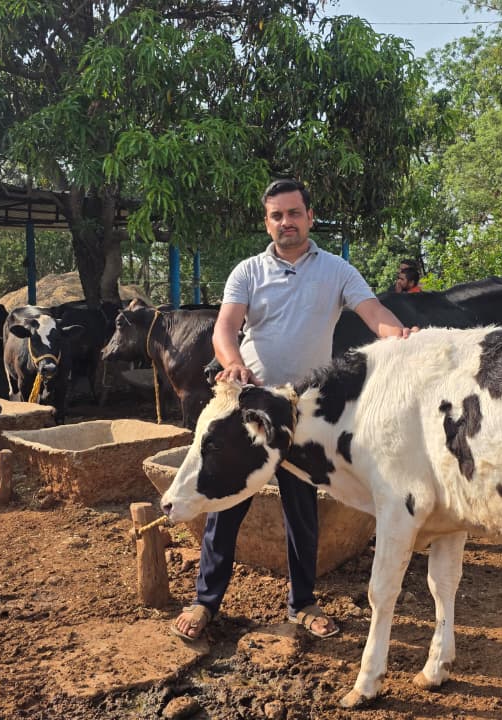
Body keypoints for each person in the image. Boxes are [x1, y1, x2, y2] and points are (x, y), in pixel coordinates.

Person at [172, 178, 412, 642]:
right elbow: (225, 329)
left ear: (310, 217)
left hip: (304, 414)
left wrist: (400, 337)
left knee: (302, 510)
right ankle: (205, 601)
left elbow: (373, 312)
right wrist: (233, 363)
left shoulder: (337, 270)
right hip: (251, 406)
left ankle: (302, 603)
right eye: (277, 215)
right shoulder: (247, 271)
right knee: (226, 504)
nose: (287, 222)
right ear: (267, 223)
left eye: (294, 213)